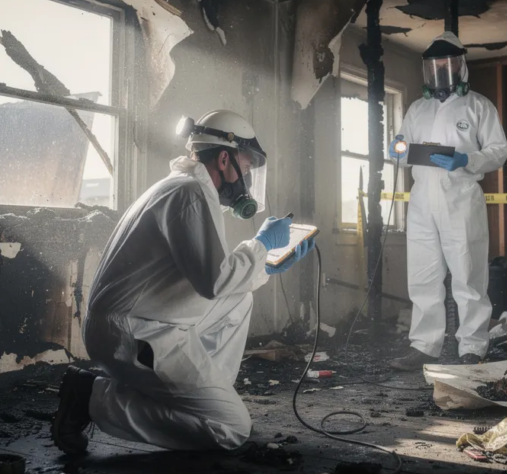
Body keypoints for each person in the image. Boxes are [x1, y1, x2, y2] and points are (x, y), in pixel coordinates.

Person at [51, 109, 313, 454]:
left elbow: (213, 281)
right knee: (231, 428)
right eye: (246, 168)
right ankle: (92, 398)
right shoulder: (190, 194)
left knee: (239, 299)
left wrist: (264, 266)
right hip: (135, 334)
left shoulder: (179, 188)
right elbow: (215, 282)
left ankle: (202, 397)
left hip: (141, 319)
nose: (246, 180)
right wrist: (262, 244)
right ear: (224, 159)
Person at [388, 32, 507, 371]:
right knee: (423, 275)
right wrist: (397, 149)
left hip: (461, 200)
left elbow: (500, 151)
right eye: (434, 65)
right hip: (422, 200)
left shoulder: (478, 106)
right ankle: (425, 346)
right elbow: (402, 148)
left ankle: (472, 346)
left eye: (447, 64)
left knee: (468, 274)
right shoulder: (417, 108)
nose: (440, 70)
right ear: (426, 69)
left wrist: (465, 161)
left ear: (460, 66)